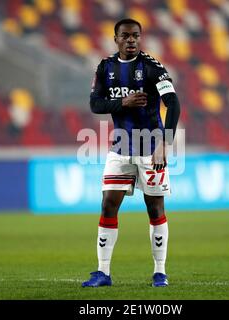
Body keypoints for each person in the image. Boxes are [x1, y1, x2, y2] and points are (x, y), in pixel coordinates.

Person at [82, 18, 181, 288]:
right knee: (108, 204)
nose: (131, 40)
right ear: (116, 38)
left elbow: (173, 104)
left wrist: (165, 144)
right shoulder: (105, 67)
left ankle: (160, 272)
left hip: (151, 148)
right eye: (125, 36)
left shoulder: (152, 68)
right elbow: (95, 104)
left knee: (155, 208)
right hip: (121, 149)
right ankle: (103, 272)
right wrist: (122, 102)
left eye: (135, 35)